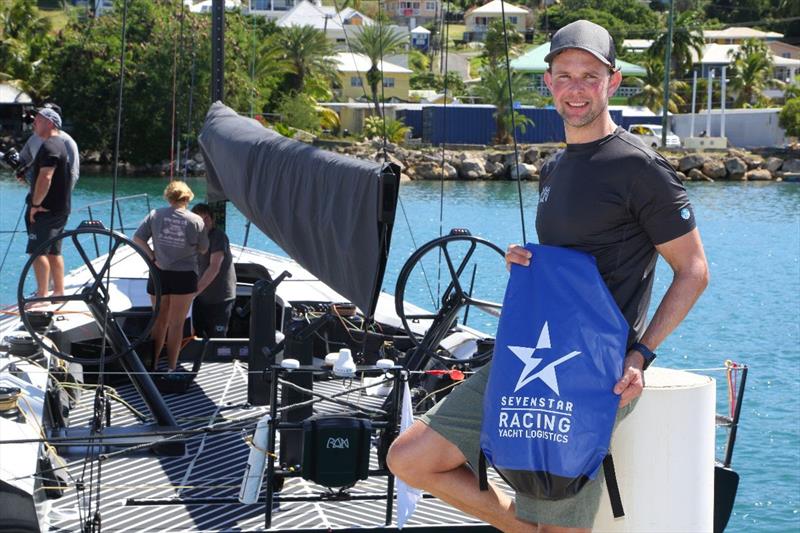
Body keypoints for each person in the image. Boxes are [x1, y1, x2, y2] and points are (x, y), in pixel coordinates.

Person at [387, 19, 710, 533]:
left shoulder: (639, 168)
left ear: (613, 81)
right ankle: (518, 525)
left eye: (589, 75)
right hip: (530, 356)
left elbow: (693, 271)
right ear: (549, 83)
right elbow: (577, 258)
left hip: (594, 373)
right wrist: (529, 260)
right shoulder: (556, 167)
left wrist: (641, 354)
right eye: (564, 75)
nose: (576, 89)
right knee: (410, 457)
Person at [133, 181, 208, 372]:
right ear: (187, 198)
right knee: (176, 324)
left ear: (168, 197)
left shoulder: (155, 215)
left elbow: (138, 239)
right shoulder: (196, 220)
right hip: (184, 276)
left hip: (159, 273)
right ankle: (172, 367)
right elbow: (204, 248)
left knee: (159, 321)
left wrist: (153, 257)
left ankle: (154, 364)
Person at [24, 107, 73, 301]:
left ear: (50, 123)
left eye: (38, 119)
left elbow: (46, 177)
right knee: (54, 251)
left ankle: (42, 296)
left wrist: (35, 204)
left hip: (47, 210)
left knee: (37, 251)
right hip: (59, 209)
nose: (34, 122)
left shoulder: (50, 146)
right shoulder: (58, 144)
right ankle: (58, 292)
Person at [190, 203, 236, 338]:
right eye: (199, 220)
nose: (203, 224)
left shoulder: (218, 237)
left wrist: (193, 293)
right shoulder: (194, 240)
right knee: (197, 336)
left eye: (207, 219)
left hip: (221, 298)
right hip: (200, 299)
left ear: (212, 220)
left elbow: (214, 266)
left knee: (217, 339)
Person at [18, 103, 80, 190]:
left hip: (54, 199)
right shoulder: (33, 139)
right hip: (35, 195)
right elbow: (21, 161)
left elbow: (73, 174)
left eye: (40, 117)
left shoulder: (67, 142)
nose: (35, 120)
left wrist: (59, 198)